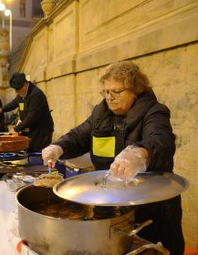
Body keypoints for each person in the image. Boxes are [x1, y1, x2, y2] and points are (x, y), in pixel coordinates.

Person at [41, 61, 183, 254]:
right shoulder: (101, 113)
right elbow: (80, 135)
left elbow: (161, 141)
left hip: (150, 209)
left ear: (135, 90)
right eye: (106, 92)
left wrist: (138, 154)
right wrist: (58, 147)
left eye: (116, 91)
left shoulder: (154, 112)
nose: (109, 98)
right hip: (109, 204)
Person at [0, 73, 54, 152]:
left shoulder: (35, 95)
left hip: (41, 132)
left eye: (18, 89)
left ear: (25, 84)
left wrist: (16, 129)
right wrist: (1, 109)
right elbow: (14, 103)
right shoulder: (22, 94)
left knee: (39, 154)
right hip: (30, 129)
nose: (16, 91)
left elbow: (31, 117)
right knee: (28, 151)